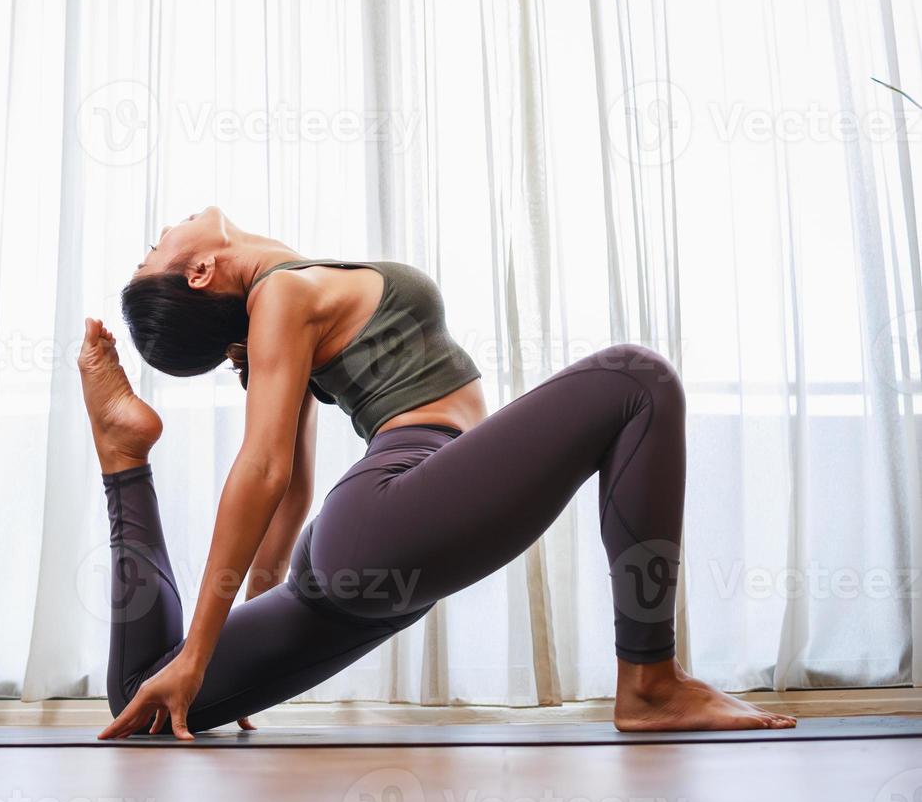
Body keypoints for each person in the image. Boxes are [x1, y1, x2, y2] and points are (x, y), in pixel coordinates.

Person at [80, 207, 796, 740]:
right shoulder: (283, 297)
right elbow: (265, 471)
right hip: (382, 526)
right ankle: (648, 681)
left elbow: (291, 492)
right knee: (636, 380)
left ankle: (123, 462)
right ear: (198, 271)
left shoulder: (285, 300)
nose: (161, 233)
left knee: (141, 696)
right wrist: (206, 648)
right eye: (154, 252)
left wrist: (222, 650)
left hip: (371, 562)